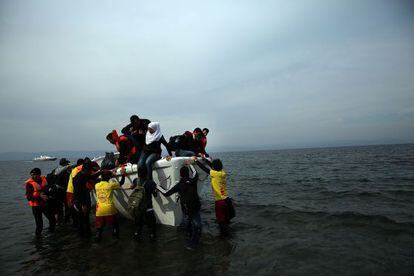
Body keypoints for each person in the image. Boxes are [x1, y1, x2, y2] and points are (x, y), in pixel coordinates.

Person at [158, 164, 202, 250]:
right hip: (195, 208)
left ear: (180, 175)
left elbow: (166, 193)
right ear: (188, 174)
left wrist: (158, 186)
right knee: (197, 226)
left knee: (187, 223)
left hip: (186, 209)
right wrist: (190, 164)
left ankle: (188, 239)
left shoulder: (179, 185)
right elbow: (196, 173)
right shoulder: (193, 180)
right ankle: (194, 243)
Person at [194, 157, 230, 236]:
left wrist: (196, 161)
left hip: (219, 201)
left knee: (220, 219)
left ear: (214, 167)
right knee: (225, 218)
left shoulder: (214, 174)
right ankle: (228, 233)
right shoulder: (222, 172)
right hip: (226, 199)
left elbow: (204, 169)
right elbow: (211, 166)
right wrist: (205, 159)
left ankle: (224, 236)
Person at [94, 169, 125, 242]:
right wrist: (123, 174)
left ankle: (97, 242)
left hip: (99, 210)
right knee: (115, 225)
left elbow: (98, 179)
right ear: (109, 177)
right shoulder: (110, 185)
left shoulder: (96, 185)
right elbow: (121, 182)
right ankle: (116, 240)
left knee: (99, 229)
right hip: (109, 209)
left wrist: (109, 175)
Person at [25, 168, 56, 238]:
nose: (33, 176)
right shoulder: (29, 184)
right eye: (32, 175)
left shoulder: (44, 179)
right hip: (36, 207)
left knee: (53, 220)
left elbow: (51, 186)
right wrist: (40, 196)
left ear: (39, 175)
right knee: (39, 225)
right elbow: (29, 197)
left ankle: (51, 234)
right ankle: (38, 239)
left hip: (45, 205)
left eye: (35, 175)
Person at [72, 160, 100, 237]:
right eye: (90, 170)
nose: (91, 172)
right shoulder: (78, 178)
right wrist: (83, 205)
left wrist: (101, 172)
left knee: (86, 219)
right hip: (80, 202)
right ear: (87, 170)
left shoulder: (83, 175)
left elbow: (92, 177)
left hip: (84, 200)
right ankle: (83, 236)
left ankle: (87, 235)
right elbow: (78, 193)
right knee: (82, 220)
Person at [132, 167, 157, 241]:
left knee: (138, 228)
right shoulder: (151, 183)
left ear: (138, 173)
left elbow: (132, 187)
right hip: (148, 209)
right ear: (147, 173)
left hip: (138, 209)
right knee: (152, 229)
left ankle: (137, 239)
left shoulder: (135, 181)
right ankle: (152, 242)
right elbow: (155, 195)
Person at [53, 158, 73, 224]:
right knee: (62, 206)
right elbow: (57, 173)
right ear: (64, 164)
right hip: (60, 191)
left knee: (63, 206)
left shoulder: (65, 171)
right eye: (66, 163)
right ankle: (61, 220)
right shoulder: (58, 170)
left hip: (62, 190)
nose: (67, 164)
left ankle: (63, 220)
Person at [66, 158, 84, 227]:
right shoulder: (77, 170)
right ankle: (75, 224)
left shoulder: (74, 170)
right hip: (72, 191)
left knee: (73, 208)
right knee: (73, 208)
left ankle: (74, 223)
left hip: (70, 191)